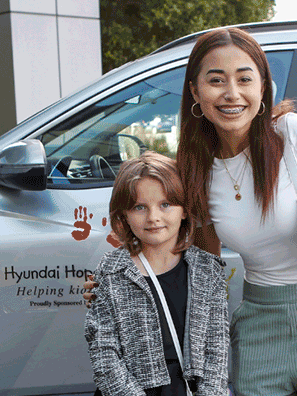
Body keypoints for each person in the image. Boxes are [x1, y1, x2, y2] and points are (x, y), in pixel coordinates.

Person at [88, 27, 297, 395]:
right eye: (216, 80)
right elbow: (197, 264)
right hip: (259, 324)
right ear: (195, 91)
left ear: (262, 87)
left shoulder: (292, 135)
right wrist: (117, 283)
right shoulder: (195, 167)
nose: (232, 94)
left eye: (244, 79)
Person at [84, 151, 228, 396]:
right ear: (124, 215)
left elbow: (216, 352)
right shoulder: (111, 271)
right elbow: (104, 356)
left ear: (184, 210)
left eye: (165, 204)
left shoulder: (207, 271)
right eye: (140, 207)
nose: (153, 217)